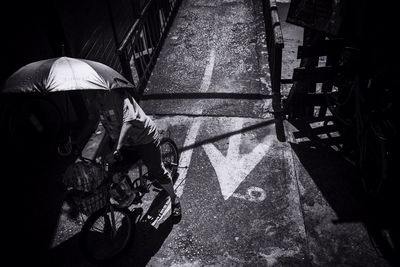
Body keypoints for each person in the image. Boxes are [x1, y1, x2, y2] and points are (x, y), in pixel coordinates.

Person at [95, 89, 181, 220]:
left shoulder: (118, 95)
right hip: (126, 142)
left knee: (157, 172)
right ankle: (131, 194)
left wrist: (117, 148)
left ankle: (175, 200)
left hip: (144, 138)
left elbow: (128, 121)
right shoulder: (95, 102)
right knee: (114, 172)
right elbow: (103, 124)